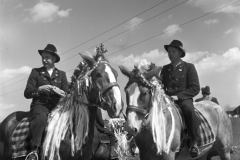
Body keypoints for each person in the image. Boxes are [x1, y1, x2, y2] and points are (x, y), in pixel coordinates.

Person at [24, 44, 68, 160]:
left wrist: (61, 92)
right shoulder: (35, 72)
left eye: (47, 57)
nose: (44, 60)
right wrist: (39, 89)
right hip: (40, 105)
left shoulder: (62, 74)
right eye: (43, 57)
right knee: (40, 118)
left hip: (57, 107)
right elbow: (27, 93)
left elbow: (67, 94)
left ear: (54, 59)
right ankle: (33, 151)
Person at [160, 40, 201, 158]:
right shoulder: (164, 69)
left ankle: (194, 142)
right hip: (167, 99)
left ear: (179, 53)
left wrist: (178, 96)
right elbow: (161, 85)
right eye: (169, 52)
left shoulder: (189, 67)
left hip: (183, 98)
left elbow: (195, 88)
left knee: (189, 110)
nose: (170, 54)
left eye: (173, 51)